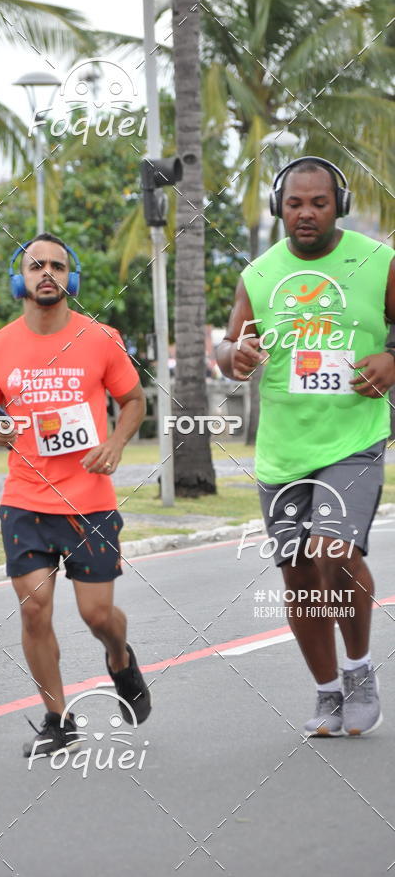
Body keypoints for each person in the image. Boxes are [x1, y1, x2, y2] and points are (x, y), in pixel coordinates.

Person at [217, 157, 395, 736]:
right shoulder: (260, 275)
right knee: (297, 575)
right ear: (279, 208)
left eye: (318, 202)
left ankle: (359, 666)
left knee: (334, 550)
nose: (306, 213)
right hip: (283, 450)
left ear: (338, 204)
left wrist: (393, 358)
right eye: (295, 203)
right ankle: (327, 692)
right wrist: (233, 358)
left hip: (355, 436)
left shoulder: (378, 261)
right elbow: (228, 345)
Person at [0, 232, 151, 757]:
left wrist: (115, 442)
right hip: (24, 499)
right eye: (34, 265)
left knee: (98, 617)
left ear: (70, 278)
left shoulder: (100, 339)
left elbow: (133, 400)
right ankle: (57, 718)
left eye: (56, 265)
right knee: (34, 609)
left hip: (89, 501)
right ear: (18, 280)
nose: (46, 272)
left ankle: (119, 658)